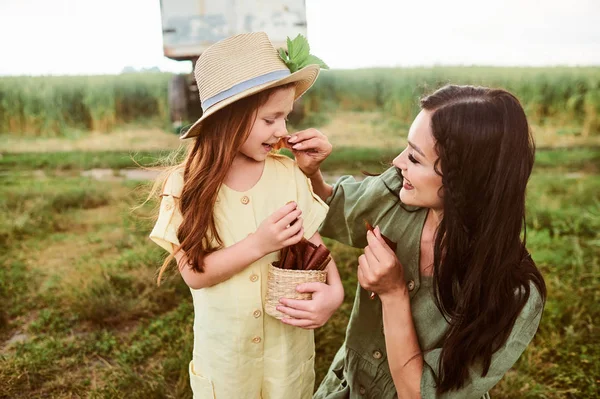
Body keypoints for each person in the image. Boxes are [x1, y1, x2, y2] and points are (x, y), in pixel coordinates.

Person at [277, 85, 547, 398]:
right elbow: (336, 209)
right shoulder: (399, 193)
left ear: (464, 179)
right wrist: (313, 175)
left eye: (415, 159)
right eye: (406, 149)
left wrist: (393, 294)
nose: (397, 161)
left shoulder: (515, 293)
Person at [148, 32, 344, 399]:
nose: (283, 130)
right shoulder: (185, 185)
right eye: (271, 119)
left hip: (285, 365)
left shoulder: (288, 175)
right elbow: (193, 274)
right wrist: (259, 244)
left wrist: (334, 295)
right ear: (229, 119)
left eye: (285, 117)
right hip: (227, 369)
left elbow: (317, 251)